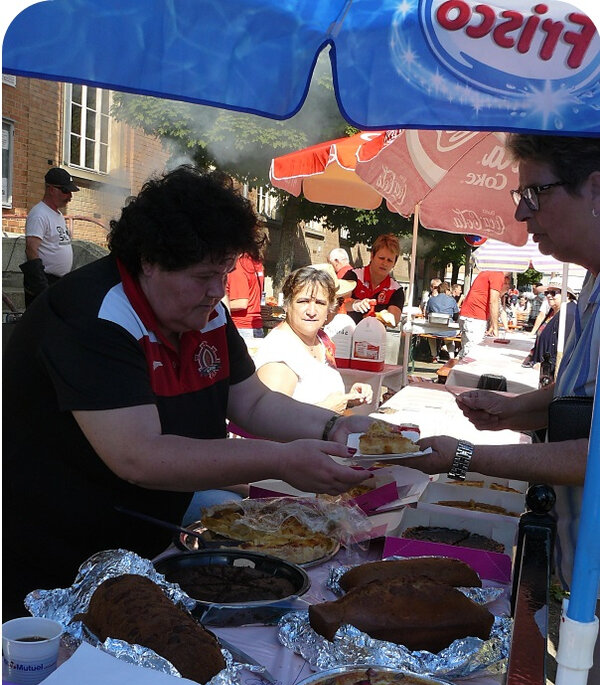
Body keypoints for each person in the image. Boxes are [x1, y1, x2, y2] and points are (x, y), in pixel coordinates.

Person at [2, 166, 372, 619]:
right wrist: (279, 460)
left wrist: (335, 427)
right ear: (149, 262)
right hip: (50, 551)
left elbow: (251, 401)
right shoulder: (92, 315)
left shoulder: (204, 313)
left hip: (143, 544)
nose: (217, 292)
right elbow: (139, 455)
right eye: (202, 277)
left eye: (223, 273)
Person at [411, 134, 600, 685]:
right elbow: (583, 402)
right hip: (582, 573)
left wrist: (467, 456)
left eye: (534, 194)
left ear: (598, 188)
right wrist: (517, 411)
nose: (522, 215)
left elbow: (598, 455)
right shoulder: (595, 286)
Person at [254, 265, 373, 413]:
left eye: (320, 303)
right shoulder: (280, 352)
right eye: (303, 301)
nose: (311, 311)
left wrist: (347, 400)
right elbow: (270, 419)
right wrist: (325, 410)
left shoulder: (320, 340)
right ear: (287, 304)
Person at [20, 167, 79, 307]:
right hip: (45, 281)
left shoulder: (57, 215)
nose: (70, 196)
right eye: (65, 191)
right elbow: (31, 249)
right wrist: (41, 285)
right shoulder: (39, 214)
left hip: (58, 281)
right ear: (51, 189)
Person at [344, 234, 405, 327]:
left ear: (394, 264)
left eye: (389, 260)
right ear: (372, 256)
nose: (384, 263)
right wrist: (355, 304)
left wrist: (378, 316)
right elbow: (340, 303)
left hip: (375, 337)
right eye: (381, 258)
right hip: (347, 333)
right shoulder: (353, 276)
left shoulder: (396, 290)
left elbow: (394, 321)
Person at [457, 269, 512, 357]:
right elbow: (493, 301)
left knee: (466, 350)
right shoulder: (498, 274)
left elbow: (495, 304)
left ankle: (455, 368)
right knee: (473, 353)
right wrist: (495, 328)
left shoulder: (488, 272)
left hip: (468, 315)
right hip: (475, 317)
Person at [522, 286, 577, 369]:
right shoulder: (553, 311)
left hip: (552, 370)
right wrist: (532, 355)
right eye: (547, 293)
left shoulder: (568, 313)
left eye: (553, 293)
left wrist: (547, 365)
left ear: (567, 295)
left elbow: (565, 346)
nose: (548, 296)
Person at [225, 252, 265, 340]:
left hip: (241, 327)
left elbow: (241, 302)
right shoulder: (256, 262)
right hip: (254, 326)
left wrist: (217, 306)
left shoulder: (239, 265)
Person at [424, 281, 460, 362]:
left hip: (433, 329)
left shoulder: (431, 300)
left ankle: (434, 356)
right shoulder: (452, 300)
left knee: (431, 337)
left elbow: (426, 314)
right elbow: (456, 315)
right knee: (449, 341)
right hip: (448, 330)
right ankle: (451, 358)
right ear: (447, 290)